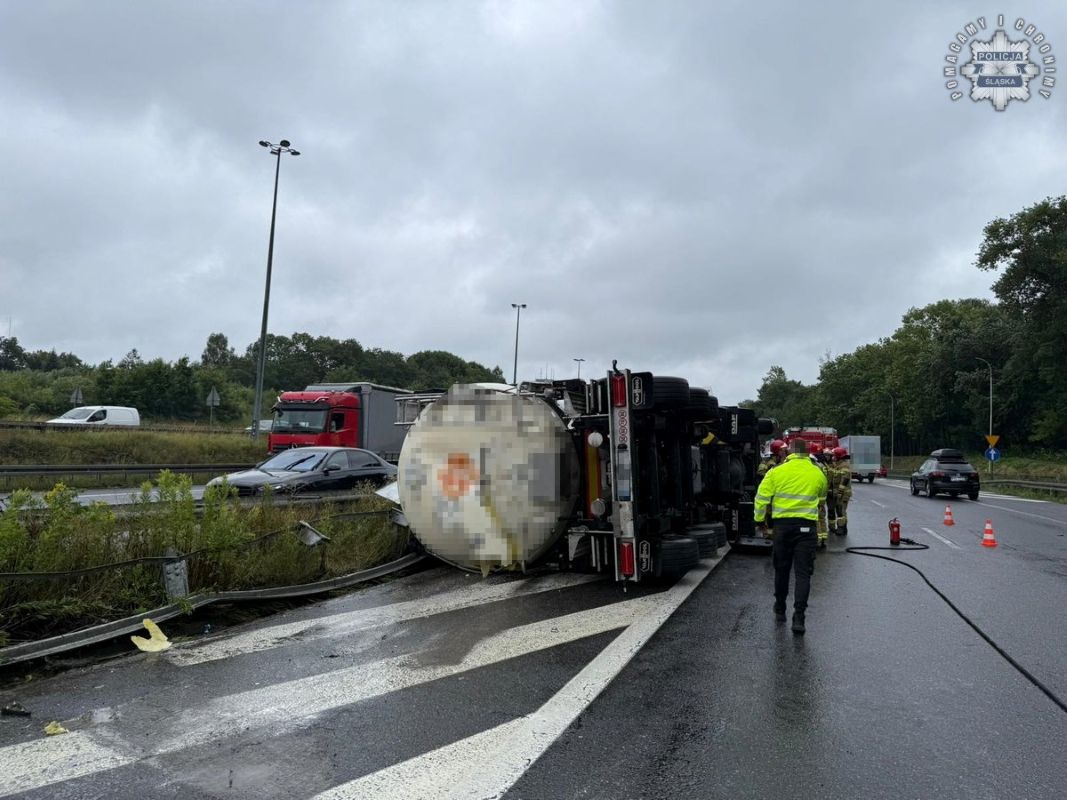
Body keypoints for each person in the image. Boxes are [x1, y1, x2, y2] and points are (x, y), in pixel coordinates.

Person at [754, 438, 828, 634]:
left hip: (783, 528)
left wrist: (760, 522)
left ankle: (780, 609)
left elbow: (761, 499)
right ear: (807, 453)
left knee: (782, 569)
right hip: (807, 529)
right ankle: (799, 618)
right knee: (803, 573)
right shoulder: (817, 473)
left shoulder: (776, 472)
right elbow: (821, 499)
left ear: (789, 453)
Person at [807, 442, 831, 548]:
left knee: (815, 518)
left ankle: (817, 539)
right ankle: (823, 539)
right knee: (822, 517)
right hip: (822, 495)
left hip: (815, 495)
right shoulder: (823, 465)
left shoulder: (814, 465)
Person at [830, 447, 852, 534]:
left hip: (843, 493)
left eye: (834, 456)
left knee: (841, 511)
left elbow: (845, 479)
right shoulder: (838, 465)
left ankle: (841, 528)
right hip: (839, 493)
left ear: (839, 456)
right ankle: (843, 527)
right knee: (840, 510)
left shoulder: (844, 466)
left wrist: (839, 492)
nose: (833, 457)